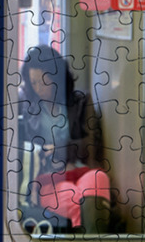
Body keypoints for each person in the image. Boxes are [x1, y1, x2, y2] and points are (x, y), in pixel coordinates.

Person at [19, 45, 109, 231]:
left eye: (44, 81)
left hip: (82, 170)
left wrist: (60, 149)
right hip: (49, 179)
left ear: (57, 76)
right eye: (34, 83)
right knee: (80, 203)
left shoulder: (81, 101)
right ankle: (90, 241)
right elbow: (28, 152)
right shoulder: (29, 110)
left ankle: (88, 238)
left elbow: (92, 145)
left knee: (99, 178)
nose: (39, 88)